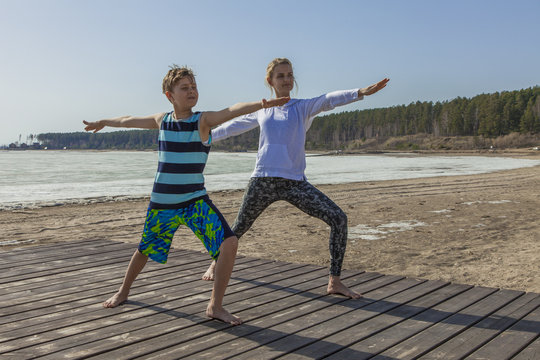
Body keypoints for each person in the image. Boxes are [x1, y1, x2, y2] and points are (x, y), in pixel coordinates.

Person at [83, 65, 289, 325]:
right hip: (163, 204)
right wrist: (104, 121)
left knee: (229, 243)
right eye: (185, 88)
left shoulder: (201, 121)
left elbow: (231, 110)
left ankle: (215, 306)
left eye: (194, 87)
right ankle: (123, 291)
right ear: (170, 95)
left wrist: (262, 104)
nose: (191, 91)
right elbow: (127, 120)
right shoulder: (162, 120)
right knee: (145, 249)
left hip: (194, 202)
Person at [202, 58, 389, 299]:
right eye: (281, 76)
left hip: (295, 183)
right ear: (270, 81)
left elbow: (328, 99)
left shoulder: (303, 107)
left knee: (338, 219)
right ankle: (216, 263)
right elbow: (232, 127)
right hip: (263, 180)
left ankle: (335, 281)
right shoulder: (262, 109)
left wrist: (360, 92)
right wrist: (203, 140)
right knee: (238, 228)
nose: (287, 79)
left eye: (290, 75)